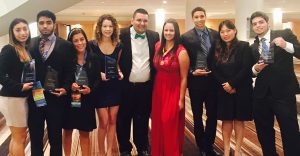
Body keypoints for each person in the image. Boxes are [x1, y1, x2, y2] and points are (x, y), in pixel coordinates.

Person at [250, 11, 300, 156]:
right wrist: (255, 69)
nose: (258, 25)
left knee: (290, 130)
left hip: (283, 93)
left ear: (267, 23)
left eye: (261, 22)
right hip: (261, 95)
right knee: (264, 131)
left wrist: (286, 45)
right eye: (255, 24)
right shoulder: (252, 47)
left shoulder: (284, 34)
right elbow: (250, 71)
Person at [28, 10, 74, 156]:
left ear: (54, 24)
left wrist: (66, 88)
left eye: (48, 22)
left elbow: (69, 71)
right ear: (37, 25)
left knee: (55, 137)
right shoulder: (29, 44)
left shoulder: (66, 45)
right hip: (35, 96)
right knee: (35, 136)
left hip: (56, 97)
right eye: (41, 23)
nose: (45, 26)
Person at [117, 8, 159, 156]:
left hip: (146, 86)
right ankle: (124, 148)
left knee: (142, 118)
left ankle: (142, 147)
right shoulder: (121, 35)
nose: (142, 23)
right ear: (132, 20)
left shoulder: (154, 36)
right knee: (123, 118)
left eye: (145, 20)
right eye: (139, 20)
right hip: (126, 85)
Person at [181, 7, 220, 156]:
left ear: (205, 16)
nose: (199, 19)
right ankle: (201, 146)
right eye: (196, 17)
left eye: (201, 16)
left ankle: (209, 144)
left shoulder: (216, 35)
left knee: (212, 114)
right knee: (197, 115)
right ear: (193, 19)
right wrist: (192, 71)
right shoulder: (185, 37)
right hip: (195, 81)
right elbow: (183, 59)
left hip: (212, 81)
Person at [211, 20, 253, 156]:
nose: (225, 34)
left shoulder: (244, 46)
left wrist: (233, 84)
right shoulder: (216, 47)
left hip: (241, 89)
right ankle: (227, 150)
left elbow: (246, 68)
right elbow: (213, 67)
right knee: (226, 119)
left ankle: (238, 150)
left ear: (234, 30)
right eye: (222, 32)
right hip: (223, 89)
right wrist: (226, 84)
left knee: (239, 120)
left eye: (228, 31)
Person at [151, 18, 189, 156]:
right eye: (166, 30)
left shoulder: (181, 51)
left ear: (176, 32)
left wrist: (181, 99)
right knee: (158, 123)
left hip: (173, 90)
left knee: (169, 123)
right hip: (158, 88)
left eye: (171, 30)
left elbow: (184, 77)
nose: (168, 32)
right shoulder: (157, 46)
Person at [89, 14, 123, 156]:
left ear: (114, 28)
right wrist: (98, 74)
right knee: (104, 121)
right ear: (100, 28)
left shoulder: (119, 45)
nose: (108, 29)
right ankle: (101, 152)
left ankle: (109, 151)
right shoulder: (92, 45)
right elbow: (88, 66)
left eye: (110, 26)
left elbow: (117, 64)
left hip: (114, 85)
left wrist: (120, 72)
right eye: (105, 26)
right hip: (99, 88)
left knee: (113, 119)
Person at [62, 28, 99, 156]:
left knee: (84, 133)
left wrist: (91, 90)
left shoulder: (93, 58)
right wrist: (69, 85)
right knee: (67, 132)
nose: (79, 43)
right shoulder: (67, 59)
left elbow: (97, 80)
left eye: (82, 39)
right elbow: (63, 78)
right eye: (75, 40)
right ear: (71, 43)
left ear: (86, 40)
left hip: (86, 100)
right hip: (69, 100)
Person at [0, 18, 32, 156]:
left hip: (21, 97)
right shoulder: (9, 49)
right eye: (18, 30)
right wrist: (20, 87)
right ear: (12, 32)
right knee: (19, 137)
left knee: (18, 137)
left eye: (25, 29)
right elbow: (1, 75)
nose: (22, 32)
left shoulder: (25, 49)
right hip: (12, 98)